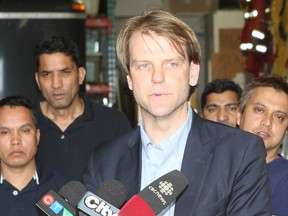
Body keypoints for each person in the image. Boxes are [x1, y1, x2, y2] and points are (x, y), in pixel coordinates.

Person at [83, 9, 272, 215]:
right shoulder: (103, 162)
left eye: (171, 64)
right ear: (129, 80)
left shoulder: (240, 152)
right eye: (144, 66)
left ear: (192, 73)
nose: (157, 77)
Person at [34, 36, 131, 181]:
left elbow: (129, 177)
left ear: (80, 75)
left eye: (65, 72)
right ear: (38, 80)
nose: (56, 84)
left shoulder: (112, 123)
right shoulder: (24, 125)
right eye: (46, 74)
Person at [0, 96, 68, 216]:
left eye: (25, 130)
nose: (15, 140)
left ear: (37, 136)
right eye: (5, 132)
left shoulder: (63, 189)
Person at [237, 76, 288, 216]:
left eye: (279, 117)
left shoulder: (285, 178)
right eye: (259, 110)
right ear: (239, 115)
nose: (267, 122)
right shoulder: (214, 165)